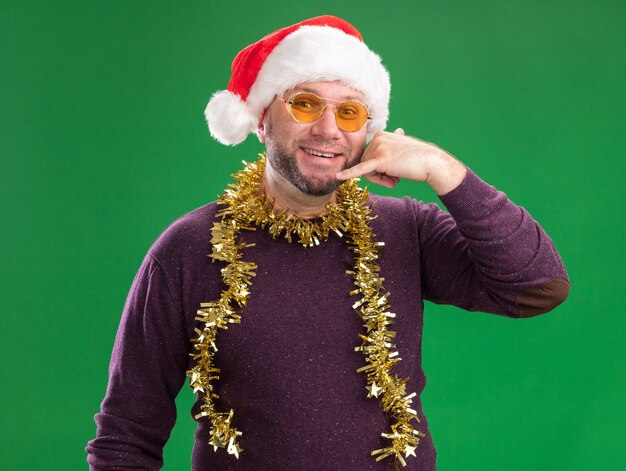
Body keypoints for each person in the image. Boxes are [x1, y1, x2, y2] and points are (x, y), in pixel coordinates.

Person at [86, 15, 569, 471]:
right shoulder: (188, 248)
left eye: (350, 111)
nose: (328, 129)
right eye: (304, 103)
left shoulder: (407, 229)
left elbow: (538, 287)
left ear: (368, 132)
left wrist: (444, 170)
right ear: (260, 119)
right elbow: (126, 436)